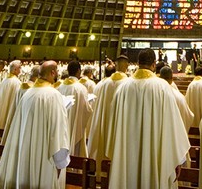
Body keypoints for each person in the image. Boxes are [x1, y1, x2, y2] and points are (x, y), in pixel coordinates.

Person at [104, 48, 190, 188]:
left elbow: (113, 127)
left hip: (127, 156)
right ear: (154, 64)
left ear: (137, 63)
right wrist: (178, 159)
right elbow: (172, 125)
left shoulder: (122, 88)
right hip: (155, 157)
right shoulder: (162, 87)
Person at [0, 61, 70, 189]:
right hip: (43, 153)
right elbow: (58, 130)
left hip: (23, 150)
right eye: (56, 71)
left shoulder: (28, 93)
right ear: (52, 72)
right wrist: (60, 160)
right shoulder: (53, 95)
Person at [88, 55, 129, 178]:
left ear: (116, 65)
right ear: (126, 66)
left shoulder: (103, 83)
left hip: (103, 125)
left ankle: (101, 173)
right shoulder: (129, 83)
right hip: (120, 126)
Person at [58, 60, 93, 157]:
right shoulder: (80, 88)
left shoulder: (59, 87)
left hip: (61, 126)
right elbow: (86, 110)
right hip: (75, 125)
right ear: (78, 71)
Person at [0, 60, 22, 130]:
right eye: (19, 68)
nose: (21, 70)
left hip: (0, 111)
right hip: (9, 111)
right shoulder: (16, 82)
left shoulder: (4, 80)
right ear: (15, 70)